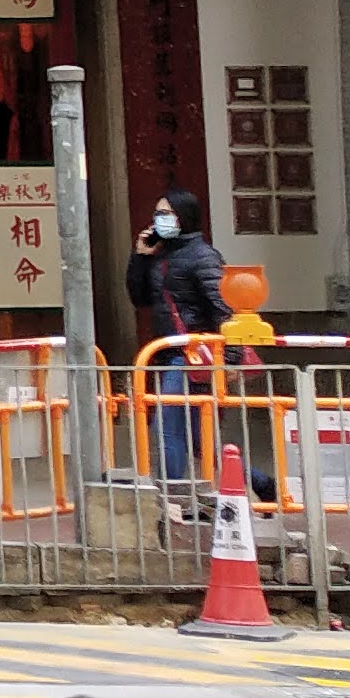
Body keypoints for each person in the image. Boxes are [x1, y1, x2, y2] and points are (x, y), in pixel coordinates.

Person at [125, 188, 232, 483]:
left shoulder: (203, 256)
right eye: (157, 214)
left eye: (166, 214)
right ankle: (263, 484)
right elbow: (141, 298)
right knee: (200, 440)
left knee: (167, 426)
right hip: (171, 352)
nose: (159, 220)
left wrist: (230, 358)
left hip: (193, 354)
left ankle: (169, 492)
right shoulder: (163, 256)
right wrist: (139, 257)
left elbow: (223, 307)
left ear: (184, 217)